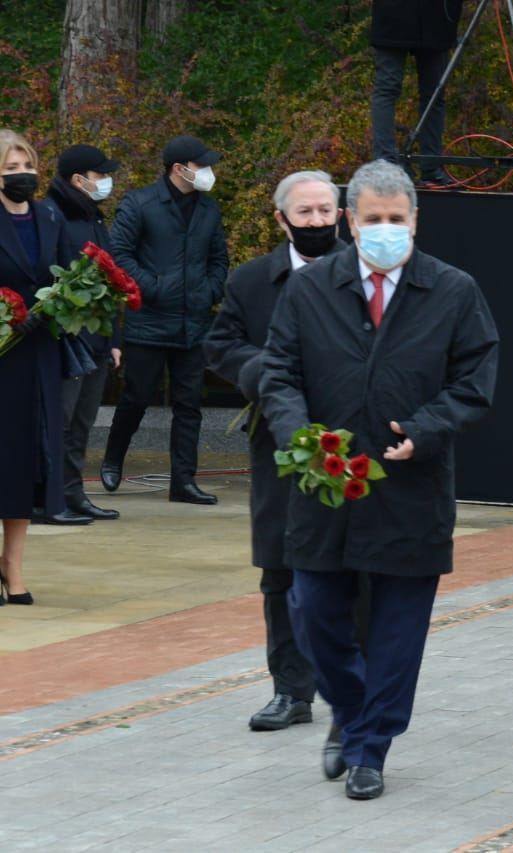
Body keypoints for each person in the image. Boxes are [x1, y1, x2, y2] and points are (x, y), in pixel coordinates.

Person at [259, 160, 498, 800]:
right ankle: (352, 709)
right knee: (310, 610)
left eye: (398, 220)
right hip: (326, 481)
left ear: (415, 222)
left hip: (408, 487)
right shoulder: (310, 289)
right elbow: (278, 373)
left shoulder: (452, 291)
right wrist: (297, 436)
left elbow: (474, 382)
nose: (386, 230)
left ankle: (370, 749)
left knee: (396, 630)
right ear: (350, 222)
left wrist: (427, 428)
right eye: (373, 220)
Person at [205, 171, 347, 732]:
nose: (316, 221)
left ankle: (350, 690)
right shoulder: (252, 280)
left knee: (349, 569)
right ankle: (291, 691)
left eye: (324, 211)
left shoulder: (366, 275)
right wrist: (269, 372)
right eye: (304, 213)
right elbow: (221, 347)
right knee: (281, 567)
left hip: (350, 444)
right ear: (280, 217)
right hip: (278, 448)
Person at [101, 135, 229, 504]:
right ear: (179, 169)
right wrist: (152, 287)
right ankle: (113, 458)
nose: (208, 172)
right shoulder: (140, 203)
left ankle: (183, 481)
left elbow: (219, 257)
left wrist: (211, 290)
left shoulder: (208, 209)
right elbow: (119, 254)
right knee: (137, 396)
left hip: (194, 321)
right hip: (150, 321)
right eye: (202, 165)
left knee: (189, 404)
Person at [0, 131, 76, 605]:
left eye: (26, 165)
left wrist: (57, 307)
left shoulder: (50, 214)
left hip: (38, 352)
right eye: (11, 169)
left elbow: (68, 273)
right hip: (2, 349)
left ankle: (14, 565)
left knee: (25, 458)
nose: (21, 175)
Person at [46, 144, 123, 523]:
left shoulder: (94, 217)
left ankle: (73, 492)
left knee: (82, 421)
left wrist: (113, 340)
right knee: (59, 421)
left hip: (95, 337)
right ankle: (50, 496)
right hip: (64, 337)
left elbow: (110, 279)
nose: (107, 181)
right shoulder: (52, 215)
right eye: (101, 175)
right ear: (79, 180)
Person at [370, 0, 464, 184]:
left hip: (437, 20)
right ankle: (387, 164)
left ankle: (430, 166)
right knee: (388, 89)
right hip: (397, 16)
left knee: (434, 95)